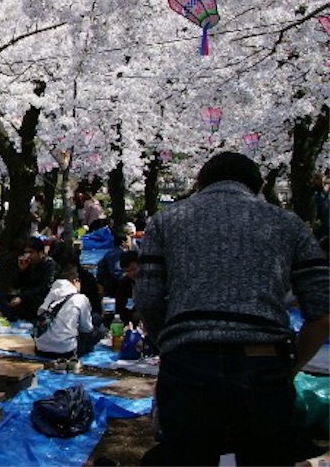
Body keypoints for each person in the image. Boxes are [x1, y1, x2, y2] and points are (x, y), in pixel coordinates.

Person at [136, 151, 330, 466]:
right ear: (257, 187)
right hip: (263, 362)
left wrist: (170, 343)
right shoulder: (289, 224)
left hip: (187, 363)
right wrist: (292, 365)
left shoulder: (165, 220)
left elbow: (146, 299)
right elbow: (322, 313)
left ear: (200, 183)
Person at [33, 266, 103, 361]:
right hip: (66, 352)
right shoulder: (80, 298)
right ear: (75, 281)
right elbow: (86, 329)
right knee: (98, 330)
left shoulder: (51, 294)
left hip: (40, 349)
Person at [0, 237, 57, 322]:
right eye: (26, 252)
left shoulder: (49, 265)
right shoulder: (28, 264)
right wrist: (21, 270)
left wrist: (22, 297)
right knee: (3, 299)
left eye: (31, 252)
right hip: (26, 295)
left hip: (41, 298)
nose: (28, 256)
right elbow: (15, 285)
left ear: (40, 252)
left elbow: (45, 287)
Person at [113, 250, 139, 326]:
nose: (132, 274)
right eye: (127, 271)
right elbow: (119, 308)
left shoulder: (152, 280)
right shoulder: (124, 284)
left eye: (133, 269)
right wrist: (132, 315)